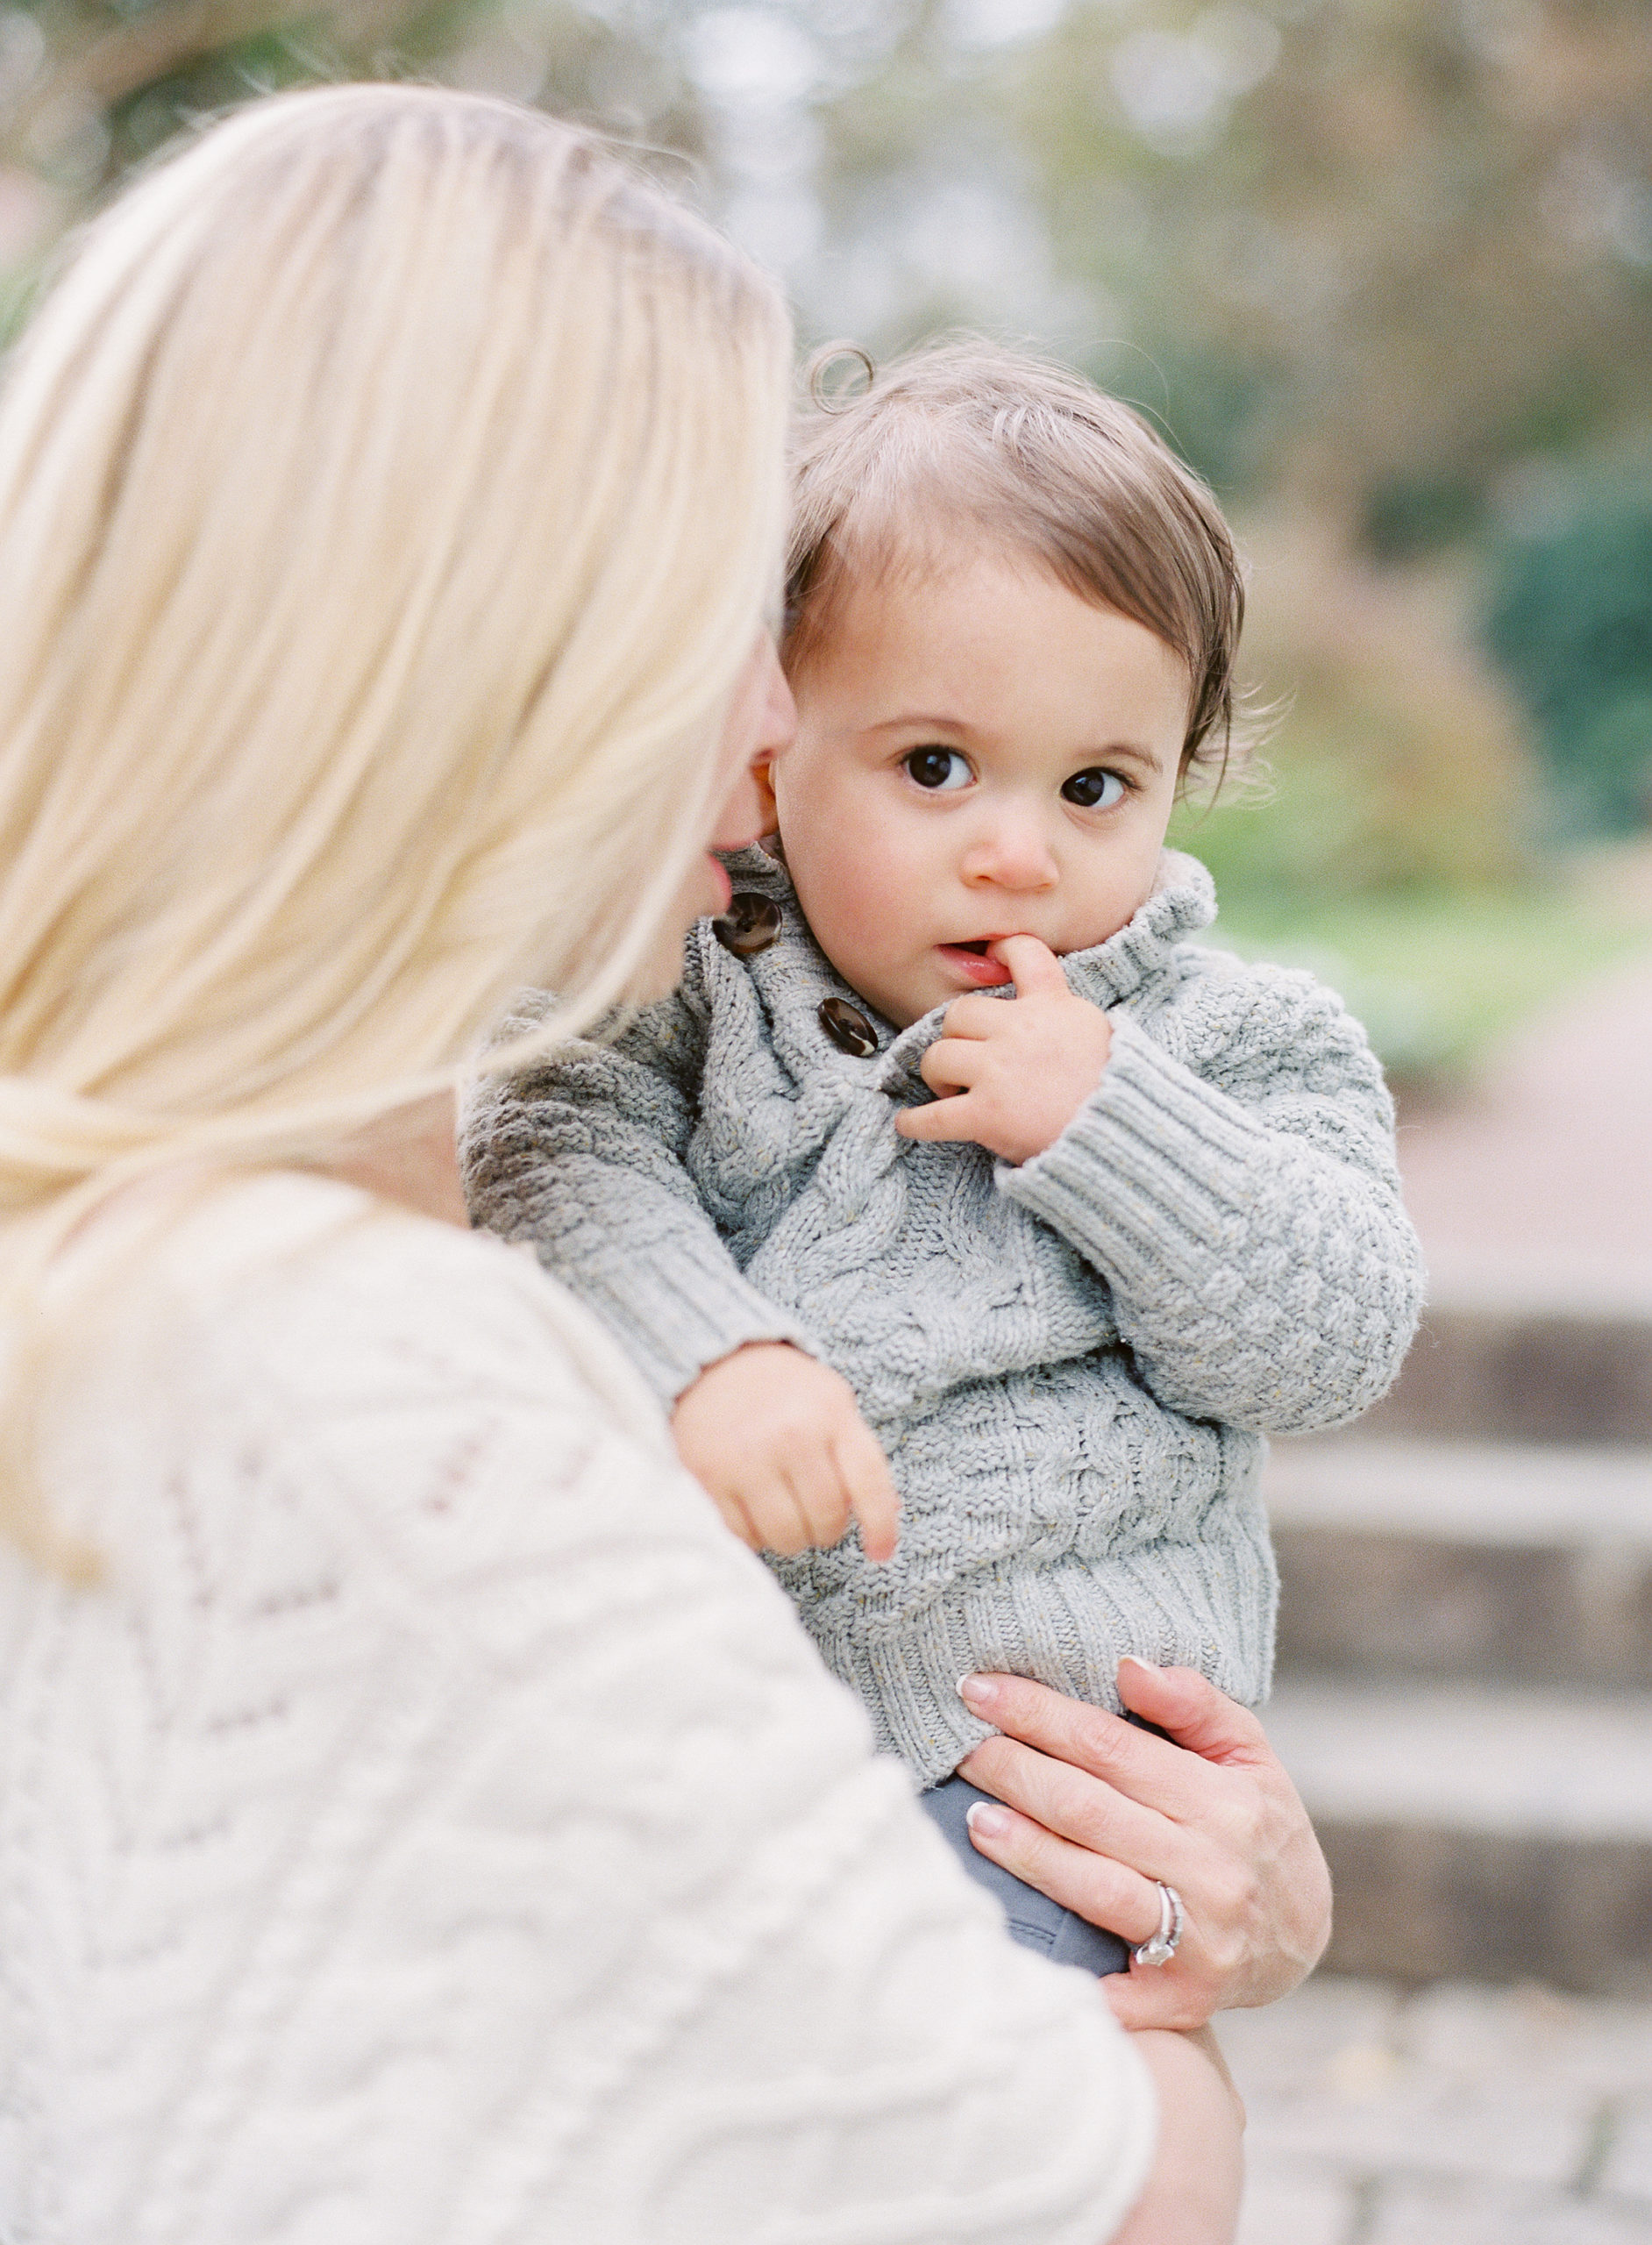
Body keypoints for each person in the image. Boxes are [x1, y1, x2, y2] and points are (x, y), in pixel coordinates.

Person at [0, 86, 1329, 2245]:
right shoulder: (404, 1399)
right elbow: (1081, 2187)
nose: (764, 725)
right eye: (731, 613)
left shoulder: (130, 1257)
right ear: (495, 657)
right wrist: (1189, 2026)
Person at [466, 339, 1425, 1964]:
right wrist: (711, 1355)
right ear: (774, 752)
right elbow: (548, 1145)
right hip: (712, 1738)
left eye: (1096, 786)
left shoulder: (1233, 1042)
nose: (1017, 852)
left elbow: (1333, 1341)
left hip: (1046, 1781)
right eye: (932, 767)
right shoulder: (699, 987)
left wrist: (1118, 1125)